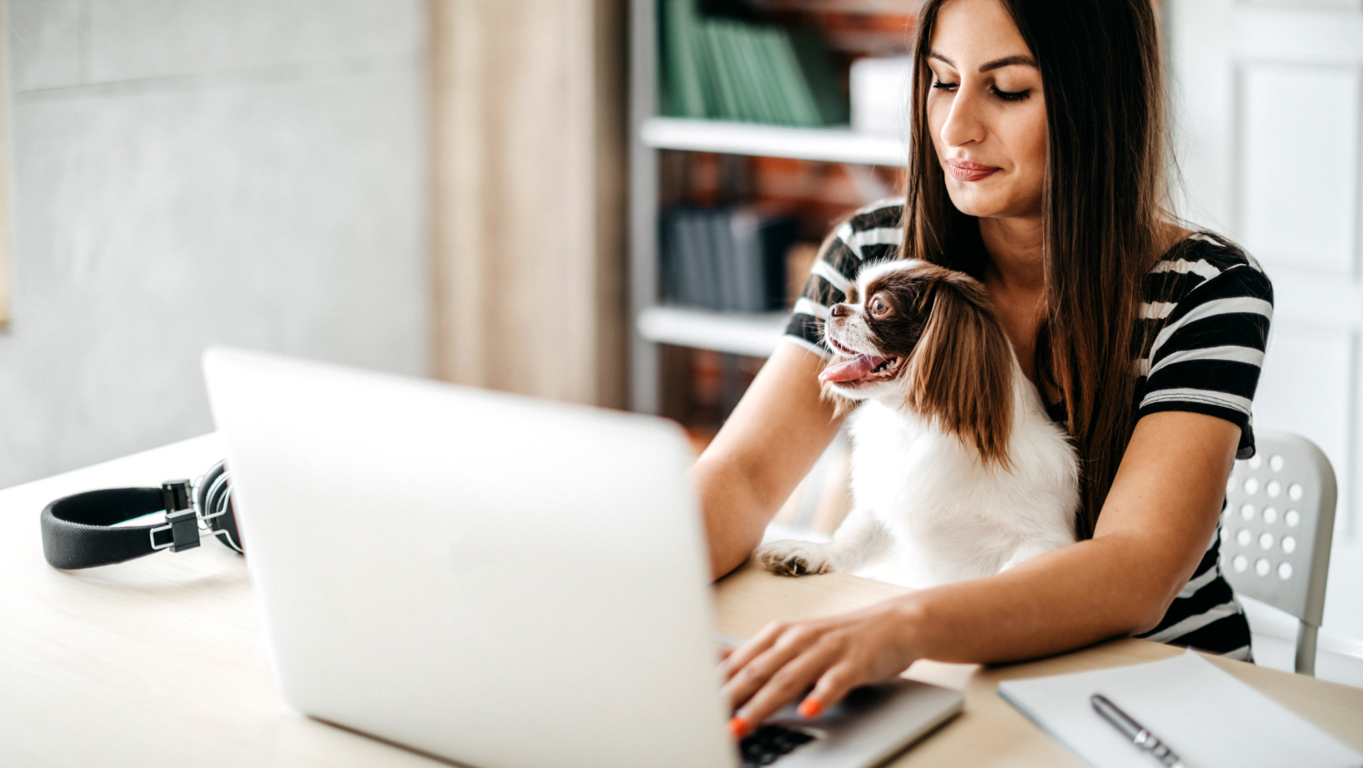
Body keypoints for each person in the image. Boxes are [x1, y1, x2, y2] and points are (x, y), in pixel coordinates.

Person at [699, 0, 1274, 737]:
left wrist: (899, 626)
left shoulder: (1206, 288)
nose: (954, 129)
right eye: (941, 81)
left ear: (1095, 100)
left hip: (1146, 696)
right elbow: (744, 474)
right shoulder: (871, 248)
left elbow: (1135, 569)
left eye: (1006, 91)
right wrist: (621, 580)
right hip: (947, 673)